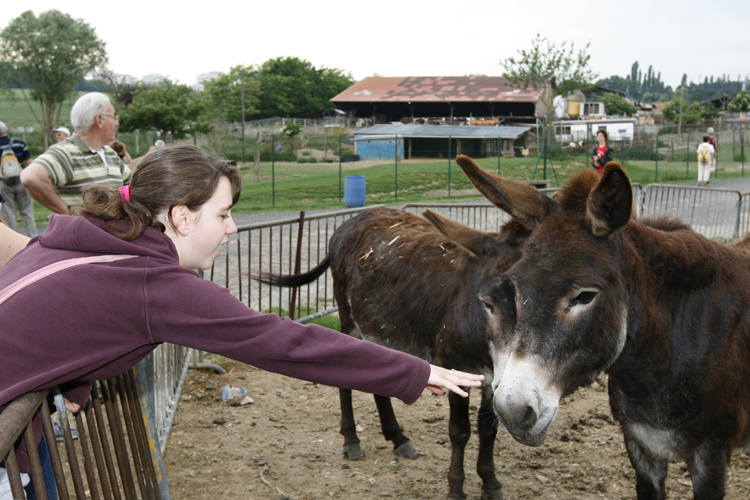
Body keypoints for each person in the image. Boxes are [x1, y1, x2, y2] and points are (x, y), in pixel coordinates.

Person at [0, 145, 483, 497]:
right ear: (182, 218)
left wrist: (75, 387)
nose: (232, 229)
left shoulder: (86, 238)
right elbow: (283, 341)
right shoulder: (155, 285)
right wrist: (414, 370)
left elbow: (66, 322)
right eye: (225, 214)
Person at [21, 92, 132, 215]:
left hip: (113, 233)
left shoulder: (109, 153)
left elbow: (132, 183)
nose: (117, 123)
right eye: (113, 117)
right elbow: (31, 177)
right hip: (83, 234)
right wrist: (65, 211)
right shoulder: (67, 152)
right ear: (99, 120)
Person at [0, 121, 38, 237]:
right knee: (27, 212)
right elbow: (30, 163)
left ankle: (15, 240)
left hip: (4, 184)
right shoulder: (19, 143)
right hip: (21, 182)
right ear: (6, 130)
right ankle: (33, 238)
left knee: (10, 214)